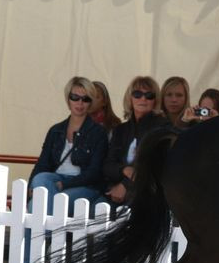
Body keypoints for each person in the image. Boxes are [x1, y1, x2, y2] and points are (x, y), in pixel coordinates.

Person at [29, 77, 109, 215]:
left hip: (84, 185)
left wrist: (65, 185)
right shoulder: (56, 130)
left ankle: (44, 237)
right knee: (40, 179)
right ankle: (48, 236)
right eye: (75, 97)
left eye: (85, 99)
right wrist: (31, 186)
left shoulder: (98, 132)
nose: (80, 103)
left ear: (91, 102)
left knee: (35, 207)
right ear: (68, 99)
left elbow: (94, 172)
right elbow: (43, 163)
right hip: (56, 179)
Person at [103, 76, 170, 204]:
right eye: (137, 94)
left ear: (155, 100)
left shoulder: (163, 127)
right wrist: (124, 170)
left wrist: (125, 185)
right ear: (130, 98)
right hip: (113, 191)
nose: (143, 99)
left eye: (149, 95)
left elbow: (153, 165)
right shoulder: (120, 130)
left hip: (147, 195)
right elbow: (108, 166)